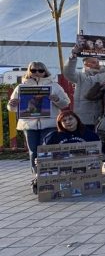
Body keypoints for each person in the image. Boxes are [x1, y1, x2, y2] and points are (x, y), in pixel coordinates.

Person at [7, 61, 71, 191]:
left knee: (47, 151)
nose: (37, 73)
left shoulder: (54, 86)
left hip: (49, 124)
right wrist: (12, 104)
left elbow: (65, 103)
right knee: (33, 152)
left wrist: (56, 99)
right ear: (29, 71)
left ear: (45, 71)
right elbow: (11, 108)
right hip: (29, 125)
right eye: (34, 70)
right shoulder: (21, 87)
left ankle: (50, 176)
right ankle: (37, 177)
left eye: (40, 70)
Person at [64, 40, 105, 130]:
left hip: (99, 117)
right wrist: (73, 56)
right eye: (94, 62)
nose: (97, 64)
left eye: (98, 61)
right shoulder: (80, 76)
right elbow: (68, 73)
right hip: (81, 118)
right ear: (85, 64)